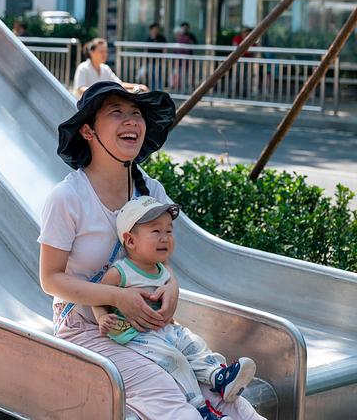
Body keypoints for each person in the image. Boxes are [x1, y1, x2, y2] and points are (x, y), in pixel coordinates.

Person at [39, 80, 264, 420]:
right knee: (166, 393)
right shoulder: (67, 198)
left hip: (149, 326)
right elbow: (50, 280)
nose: (131, 120)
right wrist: (117, 298)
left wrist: (172, 286)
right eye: (117, 112)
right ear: (88, 131)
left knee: (231, 401)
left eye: (136, 113)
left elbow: (159, 261)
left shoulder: (151, 191)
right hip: (88, 329)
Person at [92, 196, 257, 418]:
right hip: (138, 335)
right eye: (156, 231)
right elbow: (98, 297)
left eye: (169, 231)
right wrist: (102, 318)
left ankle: (218, 377)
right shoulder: (121, 272)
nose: (165, 237)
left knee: (194, 343)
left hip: (166, 329)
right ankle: (201, 407)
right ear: (130, 241)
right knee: (175, 361)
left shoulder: (162, 269)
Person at [73, 38, 148, 98]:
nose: (105, 54)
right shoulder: (83, 68)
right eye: (101, 51)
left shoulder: (105, 68)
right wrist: (100, 91)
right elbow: (80, 89)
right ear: (92, 52)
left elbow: (118, 84)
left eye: (106, 51)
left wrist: (137, 86)